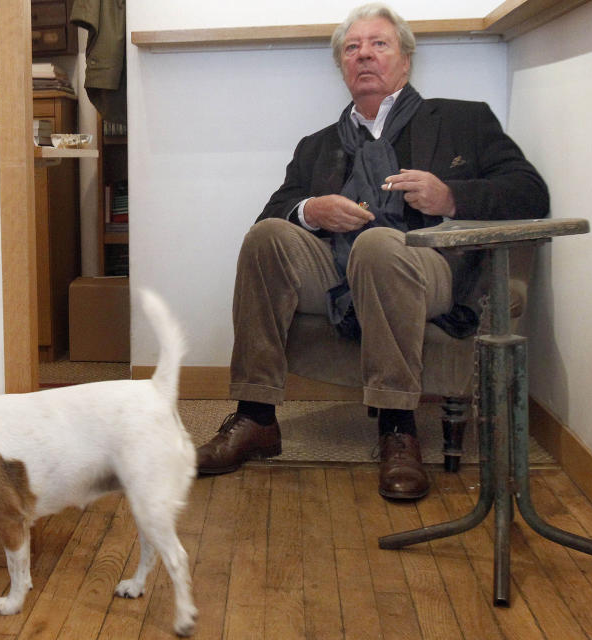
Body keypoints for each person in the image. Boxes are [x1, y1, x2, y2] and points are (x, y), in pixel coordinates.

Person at [195, 2, 549, 500]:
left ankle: (397, 428)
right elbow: (271, 214)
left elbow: (531, 193)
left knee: (380, 243)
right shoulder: (317, 145)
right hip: (337, 269)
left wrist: (451, 195)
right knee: (267, 237)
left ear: (405, 60)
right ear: (342, 67)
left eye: (378, 44)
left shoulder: (463, 120)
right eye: (352, 49)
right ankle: (256, 419)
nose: (364, 56)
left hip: (434, 266)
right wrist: (310, 211)